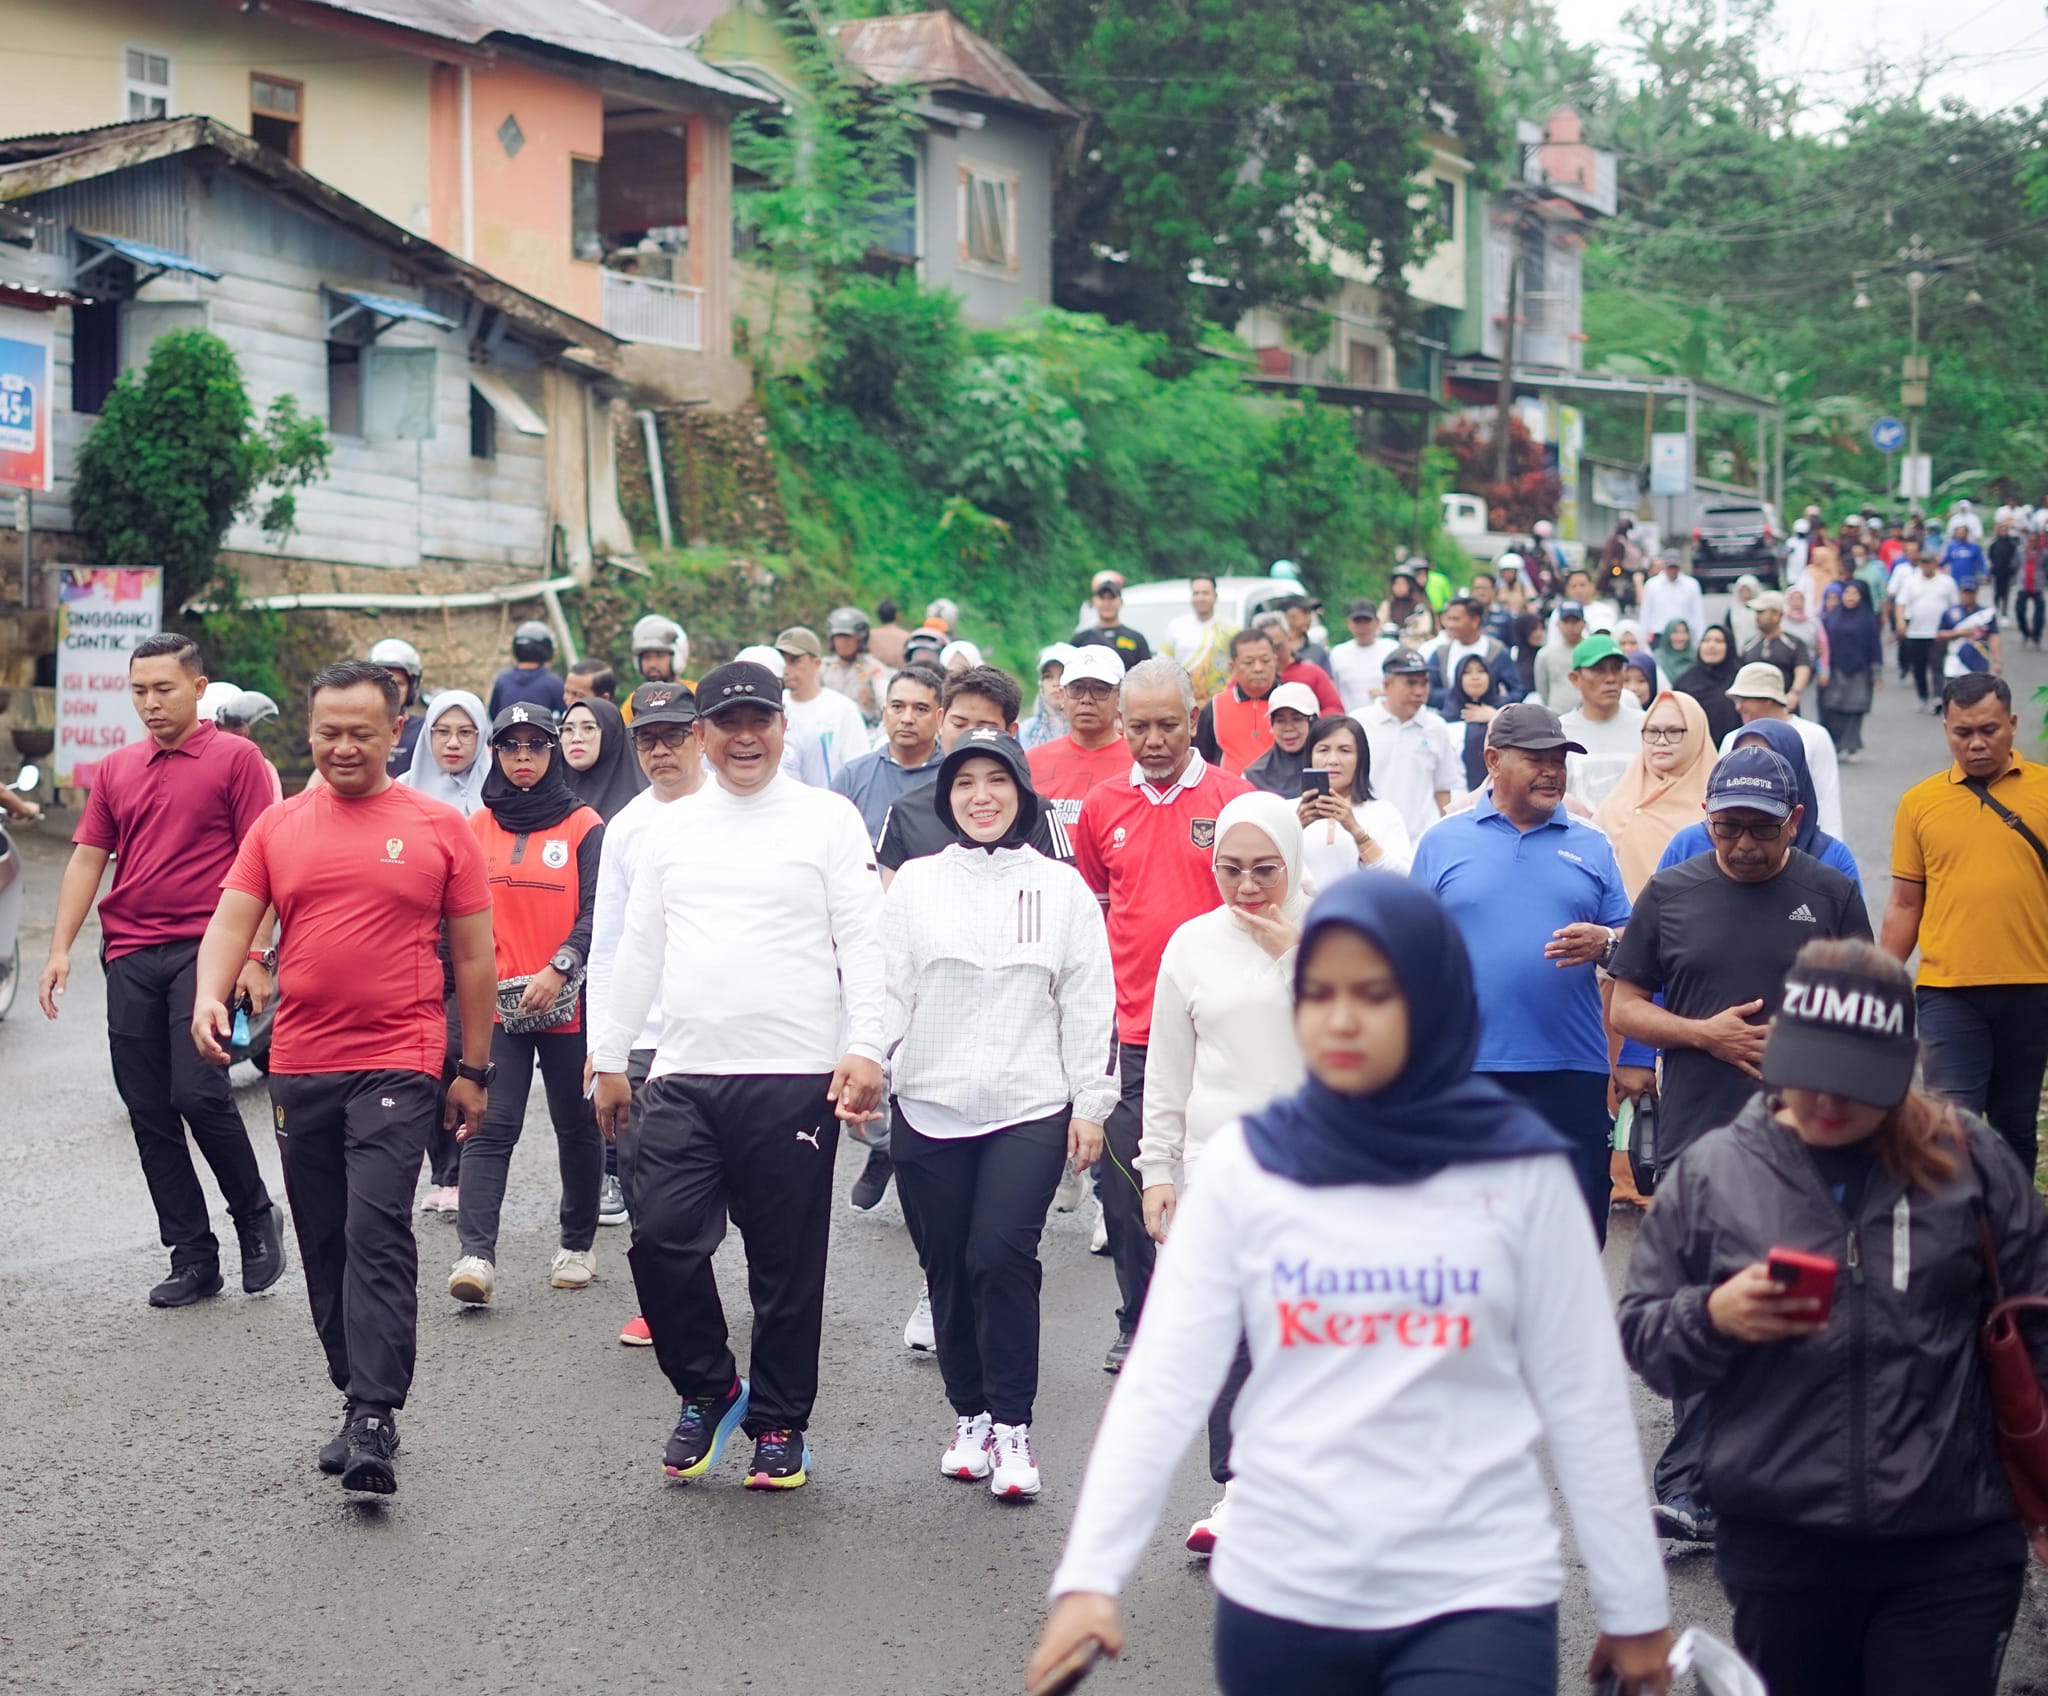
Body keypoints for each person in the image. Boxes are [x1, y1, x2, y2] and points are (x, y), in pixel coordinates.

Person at [1030, 876, 1673, 1696]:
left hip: (1477, 1590)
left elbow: (1583, 1394)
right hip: (1284, 1594)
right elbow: (1164, 1381)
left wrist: (1634, 1602)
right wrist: (1089, 1578)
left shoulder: (1519, 1168)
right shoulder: (1247, 1167)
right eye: (1318, 992)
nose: (1340, 1018)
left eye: (1373, 994)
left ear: (1431, 1001)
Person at [1619, 939, 2047, 1696]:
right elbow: (1644, 1338)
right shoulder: (1717, 1171)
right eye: (1810, 1072)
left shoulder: (1968, 1161)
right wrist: (1714, 1316)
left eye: (1853, 1082)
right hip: (1782, 1548)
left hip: (1952, 1545)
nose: (1825, 1101)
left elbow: (2037, 1325)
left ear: (1904, 1069)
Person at [191, 659, 495, 1496]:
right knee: (324, 1238)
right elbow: (230, 923)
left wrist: (473, 1068)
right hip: (300, 1063)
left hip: (400, 1057)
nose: (344, 747)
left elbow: (476, 958)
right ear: (310, 732)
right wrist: (209, 995)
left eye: (362, 732)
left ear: (397, 731)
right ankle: (354, 1388)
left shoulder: (440, 828)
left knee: (375, 1229)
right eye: (329, 732)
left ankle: (374, 1411)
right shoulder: (279, 826)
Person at [590, 659, 886, 1493]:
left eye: (761, 720)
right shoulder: (668, 829)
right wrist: (609, 1056)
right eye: (729, 723)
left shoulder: (827, 820)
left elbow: (866, 939)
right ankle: (710, 1388)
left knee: (785, 1265)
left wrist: (867, 1045)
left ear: (784, 727)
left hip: (796, 1076)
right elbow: (637, 948)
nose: (746, 737)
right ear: (703, 736)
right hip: (684, 1075)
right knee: (660, 1240)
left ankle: (781, 1422)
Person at [1608, 744, 1871, 1542]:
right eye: (1728, 828)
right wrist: (1704, 1035)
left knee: (1795, 1306)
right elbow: (1626, 1005)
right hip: (1698, 1135)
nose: (1744, 844)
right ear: (1707, 820)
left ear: (1795, 820)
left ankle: (1782, 1477)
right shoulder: (1673, 893)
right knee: (1704, 1304)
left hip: (1808, 1141)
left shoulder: (1829, 893)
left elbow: (1869, 1011)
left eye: (1761, 828)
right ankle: (1690, 1488)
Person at [882, 730, 1114, 1501]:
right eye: (964, 783)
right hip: (929, 1104)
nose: (981, 796)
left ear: (1022, 792)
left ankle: (1013, 1425)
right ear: (946, 797)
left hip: (1029, 1105)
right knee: (948, 1266)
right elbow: (887, 987)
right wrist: (867, 1061)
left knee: (1000, 1257)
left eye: (997, 781)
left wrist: (1091, 1103)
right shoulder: (917, 884)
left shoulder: (1061, 889)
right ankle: (971, 1417)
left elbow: (1088, 1002)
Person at [36, 632, 285, 1309]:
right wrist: (59, 949)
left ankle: (255, 1216)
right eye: (139, 690)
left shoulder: (238, 759)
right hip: (130, 953)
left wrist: (258, 955)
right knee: (147, 1108)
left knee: (199, 1094)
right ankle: (193, 1256)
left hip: (207, 950)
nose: (150, 703)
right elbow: (88, 858)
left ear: (198, 689)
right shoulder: (117, 768)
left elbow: (265, 858)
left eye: (163, 689)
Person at [1137, 791, 1310, 1554]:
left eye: (1265, 869)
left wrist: (1296, 957)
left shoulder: (1336, 935)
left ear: (1293, 860)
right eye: (1229, 869)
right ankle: (1240, 1491)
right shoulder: (1192, 944)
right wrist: (1158, 1170)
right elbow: (1168, 1070)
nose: (1246, 886)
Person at [1072, 658, 1253, 1375]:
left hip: (1222, 1033)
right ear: (1121, 724)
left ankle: (1221, 1323)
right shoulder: (1101, 806)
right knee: (1128, 1189)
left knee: (1219, 1182)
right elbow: (1096, 905)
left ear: (1194, 718)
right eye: (1139, 726)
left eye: (1168, 725)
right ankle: (1139, 1321)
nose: (1153, 741)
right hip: (1135, 1033)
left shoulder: (1235, 800)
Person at [1412, 704, 1632, 1240]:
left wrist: (1606, 943)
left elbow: (1635, 948)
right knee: (1469, 1232)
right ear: (1492, 760)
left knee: (1575, 1230)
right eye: (1536, 759)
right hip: (1467, 1068)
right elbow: (1410, 951)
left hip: (1572, 1068)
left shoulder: (1592, 843)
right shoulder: (1442, 841)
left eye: (1559, 759)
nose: (1552, 771)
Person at [445, 706, 606, 1306]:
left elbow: (598, 910)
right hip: (498, 1007)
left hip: (568, 1001)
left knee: (576, 1125)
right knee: (489, 1123)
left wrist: (560, 964)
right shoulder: (475, 825)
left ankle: (577, 1244)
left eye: (535, 746)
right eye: (510, 746)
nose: (522, 758)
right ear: (496, 753)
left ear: (552, 753)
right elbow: (455, 914)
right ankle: (475, 1257)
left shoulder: (584, 825)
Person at [1883, 674, 2048, 1176]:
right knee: (1949, 1125)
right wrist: (1879, 977)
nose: (1976, 743)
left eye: (1989, 730)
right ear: (1946, 730)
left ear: (2012, 724)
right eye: (1963, 732)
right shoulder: (1920, 803)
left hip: (2032, 985)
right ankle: (1950, 1222)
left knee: (2015, 1126)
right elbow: (1905, 903)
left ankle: (2011, 1223)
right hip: (1948, 991)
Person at [588, 682, 707, 1350]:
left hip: (721, 1035)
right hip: (645, 1035)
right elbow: (607, 944)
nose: (662, 751)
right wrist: (605, 1043)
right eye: (648, 740)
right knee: (646, 1184)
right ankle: (664, 1305)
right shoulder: (626, 827)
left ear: (700, 737)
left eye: (674, 736)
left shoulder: (731, 810)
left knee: (734, 1187)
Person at [400, 689, 493, 1219]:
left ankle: (463, 1171)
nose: (453, 743)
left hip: (476, 940)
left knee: (461, 1048)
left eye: (465, 733)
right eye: (442, 732)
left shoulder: (496, 795)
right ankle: (442, 1170)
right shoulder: (402, 793)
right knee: (427, 1057)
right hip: (417, 939)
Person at [1661, 716, 1862, 890]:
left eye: (1764, 829)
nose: (1745, 844)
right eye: (1742, 756)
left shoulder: (1832, 859)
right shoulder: (1687, 845)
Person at [1720, 662, 1844, 839]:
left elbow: (1827, 796)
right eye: (1736, 700)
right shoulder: (1732, 739)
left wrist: (1831, 845)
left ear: (1767, 699)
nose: (1738, 707)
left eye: (1744, 699)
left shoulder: (1815, 736)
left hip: (1804, 839)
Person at [1295, 714, 1412, 887]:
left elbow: (1404, 879)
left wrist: (1356, 830)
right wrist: (1295, 827)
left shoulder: (1384, 812)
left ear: (1361, 759)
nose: (1333, 761)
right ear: (1310, 756)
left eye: (1345, 750)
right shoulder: (1288, 810)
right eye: (1323, 750)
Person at [832, 664, 944, 842]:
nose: (907, 719)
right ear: (884, 714)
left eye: (921, 709)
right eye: (898, 707)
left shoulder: (954, 777)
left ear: (940, 718)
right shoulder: (852, 777)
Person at [1360, 648, 1460, 843]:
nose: (1419, 691)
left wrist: (1448, 837)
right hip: (1370, 838)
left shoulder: (1436, 727)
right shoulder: (1361, 724)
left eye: (1424, 683)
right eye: (1411, 683)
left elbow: (1443, 789)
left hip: (1421, 840)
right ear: (1386, 685)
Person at [1026, 645, 1128, 822]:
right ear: (1063, 695)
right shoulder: (1032, 762)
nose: (1086, 699)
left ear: (1119, 697)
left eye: (1099, 689)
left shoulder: (1139, 765)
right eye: (1077, 689)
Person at [775, 626, 870, 783]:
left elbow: (859, 769)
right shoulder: (774, 707)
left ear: (817, 663)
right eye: (782, 661)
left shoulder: (841, 709)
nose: (786, 669)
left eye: (795, 661)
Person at [1559, 634, 1644, 808]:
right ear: (1575, 679)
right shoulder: (1560, 732)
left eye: (1617, 668)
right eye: (1599, 670)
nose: (1610, 679)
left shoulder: (1647, 727)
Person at [1193, 628, 1280, 777]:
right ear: (1232, 667)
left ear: (1275, 661)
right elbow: (1201, 759)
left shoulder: (1294, 702)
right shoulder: (1215, 707)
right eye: (1248, 662)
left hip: (1282, 788)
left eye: (1265, 661)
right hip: (1228, 788)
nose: (1258, 668)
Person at [1818, 580, 1882, 760]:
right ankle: (1837, 744)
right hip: (1835, 669)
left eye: (1855, 594)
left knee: (1855, 708)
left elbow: (1874, 647)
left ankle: (1851, 747)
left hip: (1860, 670)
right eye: (1847, 593)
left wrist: (1876, 674)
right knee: (1834, 706)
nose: (1850, 597)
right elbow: (1822, 643)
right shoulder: (1832, 617)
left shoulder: (1867, 619)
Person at [1423, 597, 1517, 713]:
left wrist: (1494, 706)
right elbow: (1428, 691)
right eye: (1448, 619)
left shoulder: (1496, 651)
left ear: (1475, 621)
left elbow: (1517, 691)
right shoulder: (1441, 653)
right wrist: (1460, 696)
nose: (1450, 625)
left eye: (1456, 619)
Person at [1893, 549, 1960, 710]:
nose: (1926, 566)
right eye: (1923, 562)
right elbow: (1901, 603)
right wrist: (1900, 621)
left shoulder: (1947, 582)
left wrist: (1953, 629)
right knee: (1919, 667)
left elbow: (1954, 606)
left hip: (1938, 632)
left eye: (1929, 562)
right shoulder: (1910, 582)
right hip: (1916, 632)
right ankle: (1923, 696)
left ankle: (1937, 697)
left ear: (1935, 564)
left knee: (1937, 666)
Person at [560, 697, 646, 821]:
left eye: (588, 728)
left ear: (610, 734)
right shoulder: (547, 798)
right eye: (568, 729)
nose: (576, 738)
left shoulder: (641, 805)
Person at [1252, 611, 1345, 715]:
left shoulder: (1312, 673)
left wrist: (1309, 721)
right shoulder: (1249, 678)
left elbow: (1335, 709)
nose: (1274, 654)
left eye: (1278, 647)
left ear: (1289, 638)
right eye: (1267, 649)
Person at [1162, 574, 1237, 704]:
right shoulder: (1176, 627)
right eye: (1196, 593)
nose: (1200, 598)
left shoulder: (1230, 629)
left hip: (1219, 701)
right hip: (1185, 701)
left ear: (1215, 596)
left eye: (1205, 593)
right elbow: (1164, 664)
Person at [1241, 681, 1319, 796]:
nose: (1288, 728)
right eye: (1280, 721)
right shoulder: (1253, 776)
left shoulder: (1331, 769)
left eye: (1297, 719)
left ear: (1313, 721)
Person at [1736, 591, 1812, 710]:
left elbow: (1802, 667)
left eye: (1761, 612)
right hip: (1753, 709)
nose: (1756, 617)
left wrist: (1794, 693)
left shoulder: (1793, 643)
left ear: (1776, 615)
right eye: (1756, 612)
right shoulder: (1749, 645)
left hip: (1784, 707)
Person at [821, 606, 891, 731]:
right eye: (838, 637)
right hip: (828, 729)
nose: (843, 642)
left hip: (866, 729)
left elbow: (884, 699)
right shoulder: (823, 667)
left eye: (848, 637)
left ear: (860, 639)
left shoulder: (873, 667)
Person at [1447, 651, 1509, 790]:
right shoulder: (1447, 716)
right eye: (1467, 672)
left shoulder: (1506, 713)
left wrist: (1495, 717)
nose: (1475, 677)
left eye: (1481, 671)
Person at [1673, 624, 1742, 745]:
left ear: (1729, 647)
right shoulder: (1684, 682)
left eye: (1719, 641)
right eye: (1706, 640)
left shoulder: (1740, 680)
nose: (1711, 645)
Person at [368, 637, 427, 776]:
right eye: (383, 683)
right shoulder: (354, 728)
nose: (391, 690)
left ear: (412, 688)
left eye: (399, 684)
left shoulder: (426, 730)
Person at [1325, 600, 1395, 714]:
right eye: (1357, 622)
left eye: (1367, 621)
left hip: (1385, 716)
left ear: (1377, 622)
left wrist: (1386, 693)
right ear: (1348, 624)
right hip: (1349, 718)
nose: (1362, 627)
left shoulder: (1391, 649)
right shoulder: (1338, 653)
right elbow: (1332, 690)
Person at [488, 621, 565, 719]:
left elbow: (493, 716)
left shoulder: (502, 680)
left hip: (508, 729)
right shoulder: (554, 683)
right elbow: (564, 716)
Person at [1073, 571, 1152, 666]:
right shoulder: (1080, 640)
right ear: (1093, 601)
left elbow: (1147, 672)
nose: (1107, 603)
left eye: (1112, 598)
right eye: (1102, 598)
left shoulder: (1137, 639)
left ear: (1121, 601)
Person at [1937, 580, 2003, 681]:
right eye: (1965, 592)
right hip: (1955, 662)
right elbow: (1939, 635)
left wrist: (1997, 660)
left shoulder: (1986, 615)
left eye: (1970, 592)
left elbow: (1993, 637)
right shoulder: (1950, 613)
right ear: (1959, 593)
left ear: (1976, 593)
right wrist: (1959, 633)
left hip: (1979, 662)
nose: (1967, 595)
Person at [1638, 551, 1705, 645]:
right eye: (1670, 567)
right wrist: (1643, 639)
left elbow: (1697, 613)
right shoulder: (1652, 585)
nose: (1672, 570)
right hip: (1659, 634)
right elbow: (1645, 613)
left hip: (1683, 635)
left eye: (1675, 567)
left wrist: (1700, 639)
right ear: (1664, 566)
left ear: (1680, 566)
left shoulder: (1691, 585)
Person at [1534, 604, 1588, 713]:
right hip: (1558, 713)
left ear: (1583, 623)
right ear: (1558, 624)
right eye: (1566, 622)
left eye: (1575, 622)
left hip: (1589, 713)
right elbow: (1542, 687)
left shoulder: (1593, 651)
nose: (1570, 626)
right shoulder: (1545, 654)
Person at [1019, 644, 1074, 750]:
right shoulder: (1025, 732)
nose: (1056, 683)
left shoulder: (1091, 731)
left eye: (1063, 675)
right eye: (1048, 677)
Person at [630, 615, 687, 687]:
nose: (652, 664)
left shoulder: (695, 693)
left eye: (660, 656)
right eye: (646, 657)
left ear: (676, 658)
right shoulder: (636, 694)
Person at [2016, 532, 2044, 649]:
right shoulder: (2021, 552)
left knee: (2039, 615)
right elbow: (2015, 564)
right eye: (2030, 541)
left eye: (2034, 541)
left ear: (2038, 542)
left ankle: (2036, 636)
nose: (2032, 543)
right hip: (2023, 586)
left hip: (2037, 586)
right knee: (2020, 611)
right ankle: (2025, 632)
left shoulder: (2044, 554)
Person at [1941, 521, 1987, 592]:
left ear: (1966, 533)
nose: (1960, 534)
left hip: (1970, 581)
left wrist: (1984, 573)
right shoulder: (1951, 547)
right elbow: (1946, 560)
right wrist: (1937, 565)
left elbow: (1981, 563)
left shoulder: (1974, 547)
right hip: (1955, 580)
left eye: (1962, 532)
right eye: (1958, 532)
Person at [868, 598, 910, 669]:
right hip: (900, 673)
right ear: (896, 616)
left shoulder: (870, 635)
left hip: (876, 672)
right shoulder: (906, 636)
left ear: (879, 617)